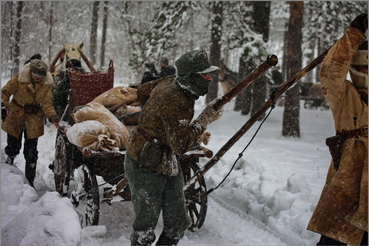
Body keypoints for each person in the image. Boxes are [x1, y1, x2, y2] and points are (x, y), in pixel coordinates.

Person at [124, 49, 223, 246]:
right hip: (145, 162)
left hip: (167, 159)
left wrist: (157, 121)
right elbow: (181, 145)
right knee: (145, 228)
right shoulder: (176, 98)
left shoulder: (173, 82)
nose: (210, 78)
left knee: (178, 222)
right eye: (205, 75)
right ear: (190, 77)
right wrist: (205, 119)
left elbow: (143, 92)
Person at [307, 14, 368, 246]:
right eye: (365, 66)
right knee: (337, 238)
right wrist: (353, 36)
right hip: (348, 187)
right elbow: (330, 72)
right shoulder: (345, 96)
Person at [1, 59, 60, 187]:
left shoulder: (47, 84)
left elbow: (47, 103)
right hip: (16, 114)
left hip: (34, 117)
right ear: (30, 71)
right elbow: (5, 92)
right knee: (13, 145)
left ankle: (29, 180)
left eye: (40, 76)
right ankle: (8, 167)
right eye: (35, 75)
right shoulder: (18, 79)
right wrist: (6, 106)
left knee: (31, 151)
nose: (38, 79)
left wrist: (52, 117)